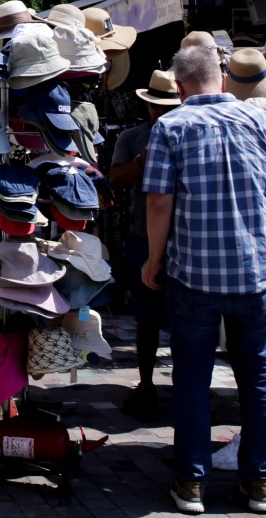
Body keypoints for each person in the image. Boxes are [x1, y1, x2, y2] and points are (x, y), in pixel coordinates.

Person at [142, 45, 266, 515]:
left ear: (178, 85)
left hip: (194, 275)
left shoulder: (170, 127)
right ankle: (261, 485)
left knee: (192, 378)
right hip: (256, 273)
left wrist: (154, 260)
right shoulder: (263, 121)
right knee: (257, 379)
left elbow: (158, 203)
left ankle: (191, 483)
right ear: (224, 79)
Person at [109, 69, 181, 420]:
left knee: (185, 316)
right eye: (156, 107)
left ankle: (186, 384)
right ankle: (146, 381)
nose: (161, 113)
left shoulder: (189, 134)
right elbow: (115, 179)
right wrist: (142, 160)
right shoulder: (133, 137)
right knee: (146, 317)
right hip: (141, 234)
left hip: (184, 239)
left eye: (168, 106)